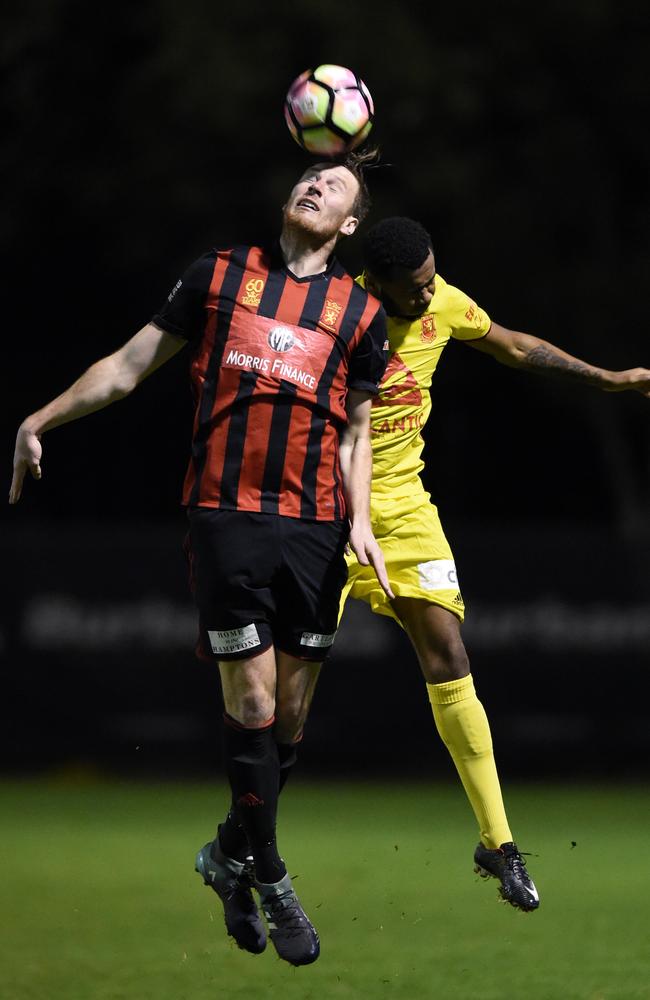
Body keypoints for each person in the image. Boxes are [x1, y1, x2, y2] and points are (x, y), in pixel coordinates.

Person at [9, 153, 393, 967]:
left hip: (318, 530)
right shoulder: (219, 275)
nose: (314, 186)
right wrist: (39, 418)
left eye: (334, 186)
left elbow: (358, 431)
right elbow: (127, 364)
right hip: (227, 517)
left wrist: (361, 518)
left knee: (289, 718)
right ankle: (274, 875)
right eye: (309, 177)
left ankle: (228, 856)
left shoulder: (360, 312)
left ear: (350, 226)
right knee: (252, 701)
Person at [341, 216, 650, 913]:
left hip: (403, 509)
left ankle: (498, 843)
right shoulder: (338, 309)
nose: (428, 296)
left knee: (449, 651)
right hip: (323, 504)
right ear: (378, 282)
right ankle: (250, 845)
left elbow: (513, 345)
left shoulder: (442, 300)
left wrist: (606, 379)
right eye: (413, 289)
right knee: (289, 689)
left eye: (431, 281)